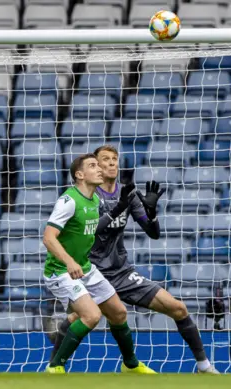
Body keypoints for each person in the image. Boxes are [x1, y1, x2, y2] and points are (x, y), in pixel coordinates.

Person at [48, 145, 218, 374]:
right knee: (85, 315)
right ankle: (55, 362)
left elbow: (153, 233)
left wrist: (152, 211)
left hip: (121, 271)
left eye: (115, 159)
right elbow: (88, 231)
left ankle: (204, 366)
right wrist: (118, 210)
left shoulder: (127, 193)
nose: (111, 164)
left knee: (177, 307)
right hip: (91, 268)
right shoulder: (87, 195)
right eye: (104, 160)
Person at [43, 154, 155, 374]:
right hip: (60, 271)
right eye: (93, 165)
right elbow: (48, 237)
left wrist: (123, 206)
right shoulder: (69, 201)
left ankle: (130, 365)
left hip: (85, 268)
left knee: (119, 313)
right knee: (92, 316)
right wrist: (69, 261)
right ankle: (55, 367)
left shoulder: (95, 200)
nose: (100, 169)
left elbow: (93, 229)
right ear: (80, 175)